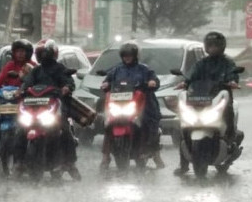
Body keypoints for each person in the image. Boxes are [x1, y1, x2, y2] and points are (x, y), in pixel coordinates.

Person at [173, 31, 243, 176]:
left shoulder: (228, 62)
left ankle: (229, 139)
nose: (212, 49)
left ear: (221, 47)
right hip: (200, 99)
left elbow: (233, 74)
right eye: (210, 46)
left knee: (228, 113)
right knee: (184, 125)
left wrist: (232, 82)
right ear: (206, 47)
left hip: (219, 98)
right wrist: (185, 82)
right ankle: (184, 164)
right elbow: (192, 76)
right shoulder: (201, 63)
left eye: (215, 46)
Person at [21, 39, 81, 180]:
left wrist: (67, 87)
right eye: (42, 53)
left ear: (53, 53)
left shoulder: (60, 68)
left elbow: (68, 81)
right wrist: (21, 90)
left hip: (55, 108)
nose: (44, 56)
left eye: (46, 53)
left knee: (65, 132)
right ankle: (18, 163)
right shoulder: (36, 70)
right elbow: (27, 83)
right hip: (34, 109)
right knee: (19, 131)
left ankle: (69, 163)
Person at [99, 42, 165, 171]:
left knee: (148, 122)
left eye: (129, 55)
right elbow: (107, 81)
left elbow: (155, 80)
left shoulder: (145, 69)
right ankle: (106, 156)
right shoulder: (116, 70)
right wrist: (105, 84)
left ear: (135, 56)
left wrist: (152, 82)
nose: (127, 58)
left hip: (143, 104)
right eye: (125, 55)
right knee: (107, 123)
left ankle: (153, 152)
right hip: (120, 104)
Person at [0, 40, 35, 173]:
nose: (20, 54)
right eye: (17, 51)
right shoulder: (9, 66)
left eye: (22, 52)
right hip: (7, 102)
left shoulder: (32, 67)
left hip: (25, 103)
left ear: (28, 53)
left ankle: (22, 161)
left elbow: (37, 83)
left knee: (26, 129)